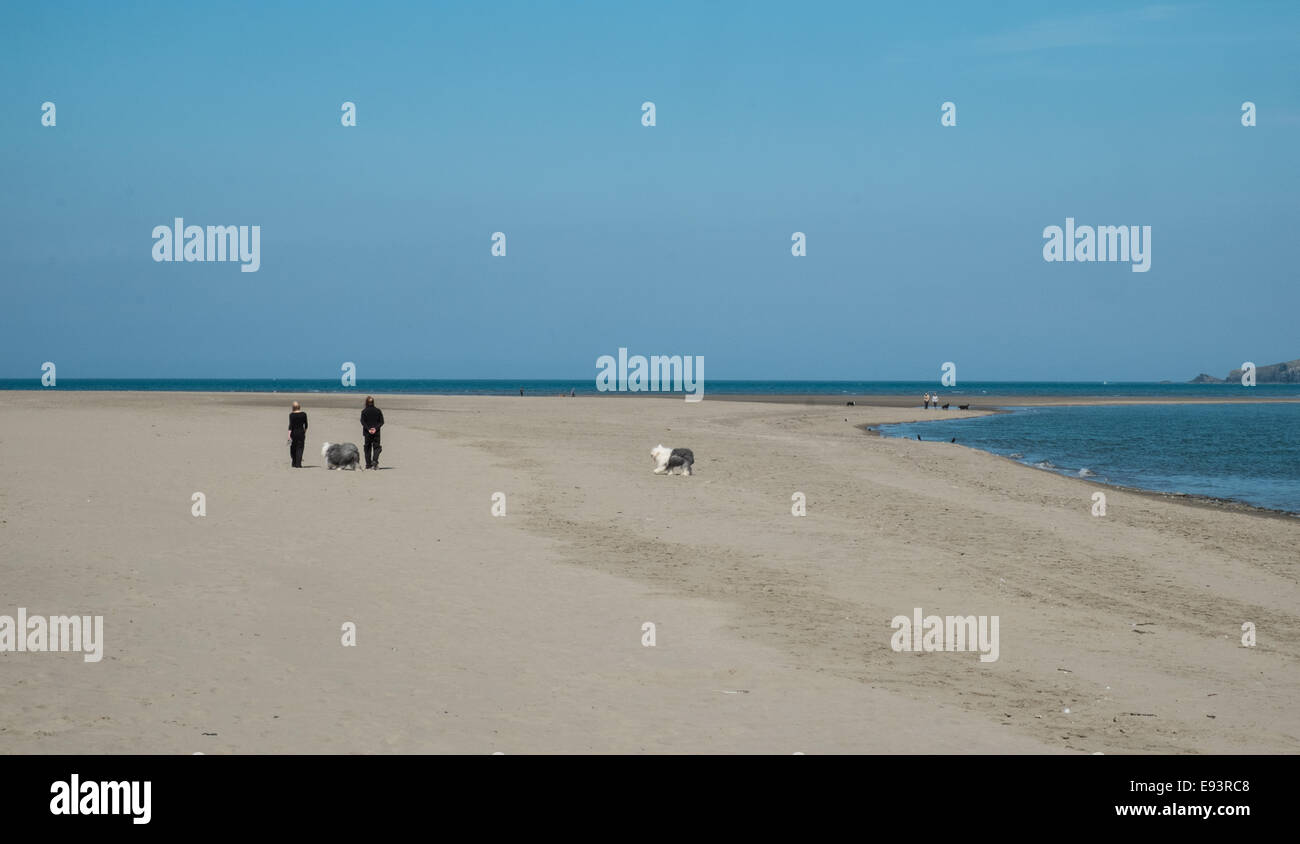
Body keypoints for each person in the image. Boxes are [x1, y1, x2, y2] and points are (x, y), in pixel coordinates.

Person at [361, 396, 384, 469]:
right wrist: (375, 428)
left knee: (367, 448)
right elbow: (382, 422)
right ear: (373, 402)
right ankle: (374, 461)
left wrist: (368, 429)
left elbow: (362, 422)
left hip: (367, 433)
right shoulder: (378, 411)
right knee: (377, 447)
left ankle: (368, 464)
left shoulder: (364, 411)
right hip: (376, 432)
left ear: (366, 402)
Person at [287, 401, 308, 467]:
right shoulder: (304, 414)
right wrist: (304, 432)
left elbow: (290, 426)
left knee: (293, 448)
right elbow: (306, 425)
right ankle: (298, 464)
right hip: (301, 433)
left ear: (293, 407)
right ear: (299, 407)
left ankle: (294, 463)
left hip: (293, 433)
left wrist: (288, 435)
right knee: (300, 448)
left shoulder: (291, 415)